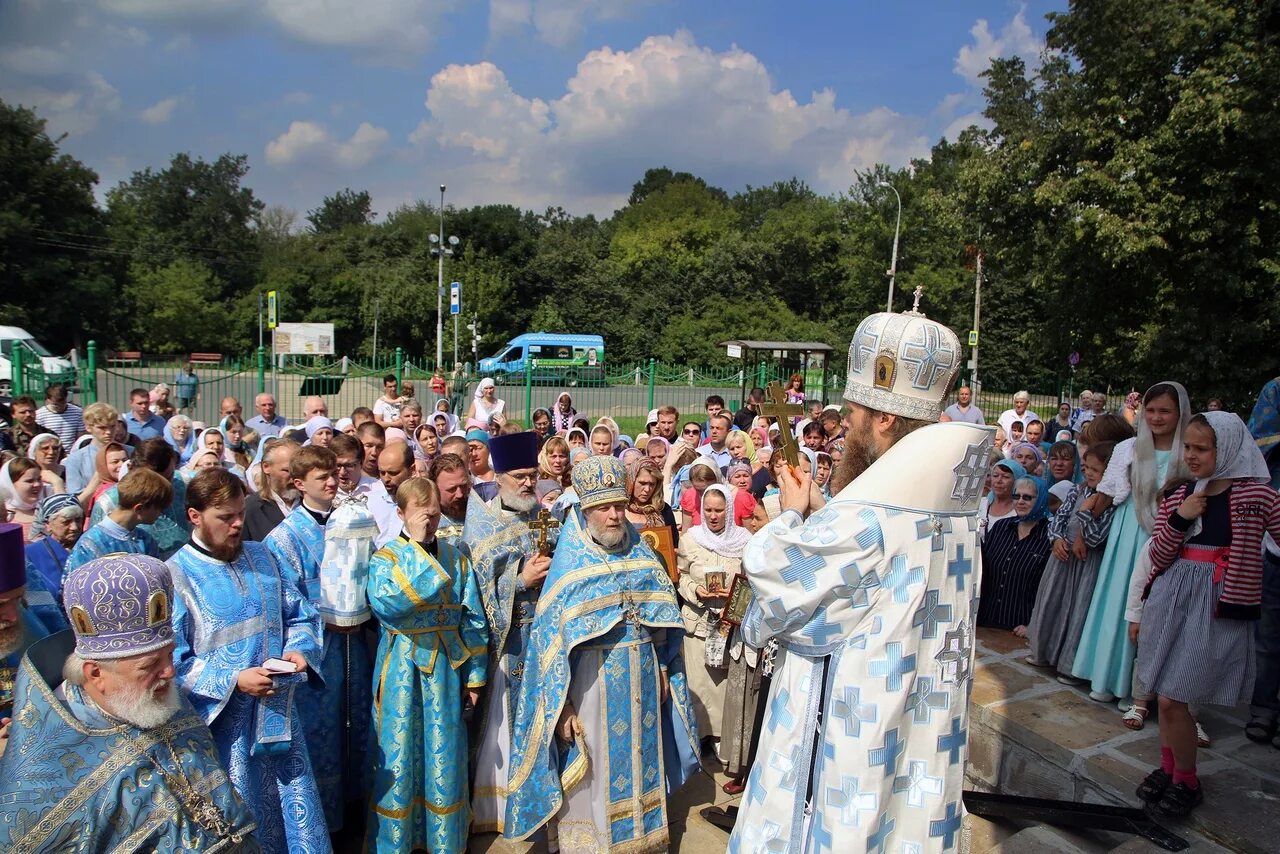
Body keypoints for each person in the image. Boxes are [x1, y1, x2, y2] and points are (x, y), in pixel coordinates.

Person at [730, 306, 989, 852]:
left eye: (853, 415)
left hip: (856, 720)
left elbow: (777, 578)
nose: (846, 426)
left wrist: (794, 518)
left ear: (886, 419)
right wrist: (823, 510)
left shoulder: (869, 520)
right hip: (922, 714)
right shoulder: (957, 509)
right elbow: (874, 560)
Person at [502, 456, 700, 851]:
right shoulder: (569, 568)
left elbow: (661, 617)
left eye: (618, 507)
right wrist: (563, 709)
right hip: (590, 690)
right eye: (603, 508)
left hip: (642, 681)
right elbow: (550, 655)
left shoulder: (641, 555)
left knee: (642, 764)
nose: (614, 516)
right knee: (594, 776)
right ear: (585, 509)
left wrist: (662, 663)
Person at [0, 552, 261, 849]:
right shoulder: (45, 771)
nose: (170, 671)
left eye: (170, 654)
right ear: (95, 673)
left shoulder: (159, 701)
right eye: (150, 665)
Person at [168, 468, 330, 852]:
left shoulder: (262, 556)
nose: (238, 523)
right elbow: (172, 662)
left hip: (280, 719)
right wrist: (233, 679)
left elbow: (301, 614)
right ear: (195, 516)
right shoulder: (176, 575)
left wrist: (300, 650)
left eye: (240, 512)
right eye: (225, 517)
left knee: (294, 813)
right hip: (225, 733)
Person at [1134, 411, 1280, 817]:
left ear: (1228, 449)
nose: (1191, 456)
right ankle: (1170, 770)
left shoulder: (1258, 496)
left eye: (1202, 449)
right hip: (1173, 600)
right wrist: (1181, 519)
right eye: (1188, 447)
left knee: (1172, 697)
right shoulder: (1180, 495)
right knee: (1165, 694)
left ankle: (1187, 781)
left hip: (1217, 606)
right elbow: (1160, 555)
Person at [365, 477, 489, 853]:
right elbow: (389, 605)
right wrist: (418, 546)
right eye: (422, 516)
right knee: (400, 755)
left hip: (446, 672)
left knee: (444, 755)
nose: (430, 523)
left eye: (434, 516)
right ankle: (397, 843)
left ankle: (444, 842)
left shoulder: (456, 557)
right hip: (402, 667)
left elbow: (473, 619)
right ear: (400, 513)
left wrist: (476, 677)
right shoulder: (385, 558)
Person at [265, 445, 377, 835]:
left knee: (360, 723)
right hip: (318, 653)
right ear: (298, 484)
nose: (333, 481)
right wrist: (328, 618)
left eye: (334, 474)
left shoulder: (351, 519)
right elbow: (287, 598)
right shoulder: (284, 538)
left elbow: (371, 569)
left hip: (356, 643)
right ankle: (325, 824)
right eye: (322, 477)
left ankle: (359, 811)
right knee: (322, 734)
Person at [1073, 382, 1191, 707]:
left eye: (1164, 410)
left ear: (1180, 412)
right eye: (1150, 410)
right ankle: (1108, 679)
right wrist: (1080, 531)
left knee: (1152, 611)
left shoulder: (1188, 451)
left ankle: (1142, 690)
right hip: (1127, 535)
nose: (1156, 417)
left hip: (1167, 539)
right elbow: (1105, 495)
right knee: (1119, 603)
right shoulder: (1128, 448)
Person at [461, 431, 556, 835]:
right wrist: (518, 578)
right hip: (507, 645)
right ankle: (499, 810)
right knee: (503, 729)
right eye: (518, 475)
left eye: (532, 474)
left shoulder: (547, 517)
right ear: (497, 476)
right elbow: (474, 592)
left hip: (545, 638)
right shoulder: (483, 526)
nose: (528, 483)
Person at [1028, 442, 1117, 682]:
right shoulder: (1078, 490)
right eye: (1086, 467)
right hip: (1063, 558)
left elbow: (1096, 537)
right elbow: (1061, 516)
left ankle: (1070, 666)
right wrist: (1056, 539)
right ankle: (1044, 653)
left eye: (1095, 470)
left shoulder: (1112, 503)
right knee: (1052, 604)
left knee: (1078, 612)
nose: (1088, 473)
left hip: (1086, 563)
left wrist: (1087, 512)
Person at [676, 483, 749, 752]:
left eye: (719, 510)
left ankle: (722, 737)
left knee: (723, 685)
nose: (713, 516)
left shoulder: (744, 541)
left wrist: (734, 595)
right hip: (697, 623)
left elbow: (751, 580)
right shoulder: (690, 539)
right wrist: (695, 589)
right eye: (707, 510)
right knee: (699, 684)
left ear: (729, 511)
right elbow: (680, 575)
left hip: (728, 625)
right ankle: (700, 734)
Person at [88, 438, 190, 559]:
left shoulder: (186, 484)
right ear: (134, 469)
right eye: (154, 480)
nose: (164, 486)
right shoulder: (108, 503)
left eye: (169, 477)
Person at [979, 476, 1052, 635]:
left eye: (1027, 497)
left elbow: (1050, 590)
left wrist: (1033, 626)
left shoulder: (1050, 536)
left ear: (1040, 500)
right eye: (1016, 496)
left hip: (1021, 629)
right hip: (986, 622)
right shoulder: (1000, 527)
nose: (1020, 501)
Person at [66, 469, 169, 571]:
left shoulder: (146, 540)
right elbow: (74, 583)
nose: (161, 514)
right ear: (139, 508)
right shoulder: (90, 544)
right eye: (159, 508)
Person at [22, 493, 82, 631]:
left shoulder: (88, 546)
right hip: (55, 630)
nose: (74, 527)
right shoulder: (31, 554)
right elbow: (35, 601)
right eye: (66, 522)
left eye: (78, 520)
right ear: (48, 524)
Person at [244, 438, 300, 541]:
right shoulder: (249, 510)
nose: (294, 476)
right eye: (287, 470)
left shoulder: (315, 504)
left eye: (298, 470)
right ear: (266, 467)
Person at [64, 402, 120, 504]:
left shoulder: (130, 452)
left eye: (112, 426)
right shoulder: (76, 459)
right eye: (102, 428)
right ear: (88, 427)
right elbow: (75, 502)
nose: (108, 432)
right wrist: (96, 482)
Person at [1, 456, 50, 540]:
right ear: (10, 484)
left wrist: (58, 483)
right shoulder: (5, 516)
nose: (37, 484)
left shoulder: (47, 510)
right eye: (29, 481)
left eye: (39, 479)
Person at [980, 458, 1024, 541]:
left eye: (1006, 477)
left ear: (1017, 481)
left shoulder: (1021, 510)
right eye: (995, 476)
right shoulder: (980, 505)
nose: (999, 481)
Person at [35, 383, 84, 449]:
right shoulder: (40, 415)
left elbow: (80, 437)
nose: (59, 406)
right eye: (55, 404)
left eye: (62, 402)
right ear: (48, 400)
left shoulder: (77, 412)